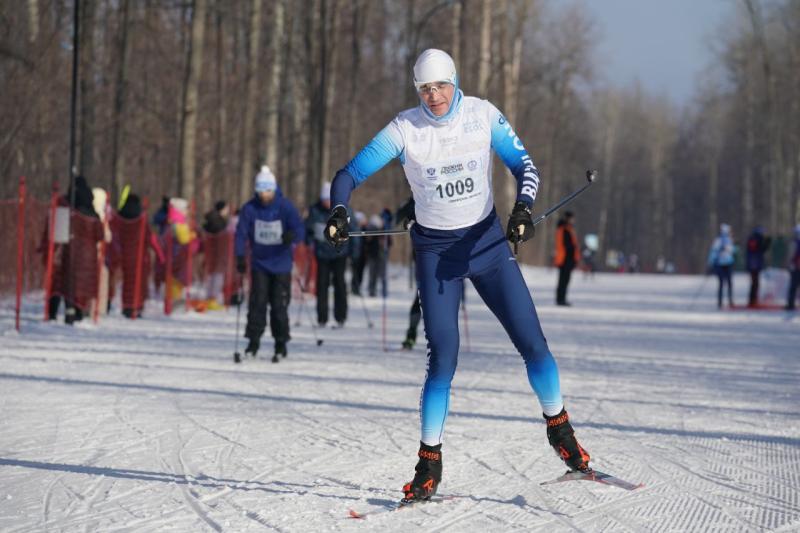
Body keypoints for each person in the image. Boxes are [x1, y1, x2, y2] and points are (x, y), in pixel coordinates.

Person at [324, 48, 591, 502]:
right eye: (425, 88)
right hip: (436, 253)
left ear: (455, 81)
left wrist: (523, 209)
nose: (434, 96)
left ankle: (561, 432)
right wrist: (339, 210)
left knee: (532, 341)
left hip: (486, 245)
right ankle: (429, 463)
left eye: (441, 85)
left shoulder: (482, 115)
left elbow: (526, 167)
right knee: (443, 356)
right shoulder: (405, 129)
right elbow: (347, 174)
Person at [235, 166, 304, 362]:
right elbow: (240, 233)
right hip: (260, 264)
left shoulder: (285, 206)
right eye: (261, 191)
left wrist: (292, 236)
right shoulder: (250, 209)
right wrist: (239, 256)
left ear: (273, 189)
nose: (264, 195)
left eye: (268, 191)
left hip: (281, 265)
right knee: (257, 304)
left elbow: (299, 228)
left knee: (279, 306)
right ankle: (253, 342)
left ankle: (280, 343)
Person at [305, 182, 349, 327]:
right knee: (322, 285)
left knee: (339, 284)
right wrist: (309, 238)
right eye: (324, 199)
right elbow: (307, 228)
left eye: (328, 200)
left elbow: (352, 227)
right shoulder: (314, 210)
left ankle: (340, 317)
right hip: (322, 253)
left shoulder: (341, 208)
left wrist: (354, 252)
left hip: (339, 253)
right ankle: (322, 317)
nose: (327, 203)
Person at [202, 200, 231, 309]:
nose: (227, 211)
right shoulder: (218, 221)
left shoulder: (214, 219)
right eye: (226, 208)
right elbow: (219, 235)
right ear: (222, 209)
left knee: (213, 276)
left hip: (214, 253)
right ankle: (212, 299)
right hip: (217, 252)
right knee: (216, 276)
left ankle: (212, 298)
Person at [707, 223, 736, 308]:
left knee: (722, 283)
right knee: (727, 283)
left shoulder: (721, 240)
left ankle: (723, 302)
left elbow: (713, 252)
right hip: (725, 264)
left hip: (725, 264)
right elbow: (714, 252)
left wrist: (711, 262)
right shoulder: (722, 240)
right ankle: (727, 302)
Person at [554, 211, 580, 306]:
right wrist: (572, 256)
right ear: (568, 219)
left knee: (565, 280)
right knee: (563, 280)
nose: (573, 220)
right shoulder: (564, 229)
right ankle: (560, 299)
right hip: (565, 259)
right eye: (572, 218)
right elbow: (567, 245)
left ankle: (561, 298)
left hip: (567, 259)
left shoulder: (567, 229)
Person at [745, 226, 771, 307]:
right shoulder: (755, 239)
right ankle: (752, 301)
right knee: (755, 283)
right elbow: (756, 250)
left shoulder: (757, 239)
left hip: (755, 264)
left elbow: (761, 250)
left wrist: (766, 243)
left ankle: (753, 300)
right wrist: (766, 243)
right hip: (754, 264)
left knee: (755, 283)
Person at [349, 211, 367, 296]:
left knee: (360, 272)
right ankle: (354, 287)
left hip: (363, 254)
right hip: (354, 254)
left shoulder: (365, 229)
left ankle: (357, 287)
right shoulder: (353, 228)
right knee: (355, 271)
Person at [786, 224, 800, 311]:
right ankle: (791, 304)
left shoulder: (795, 243)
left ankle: (791, 304)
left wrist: (790, 264)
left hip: (796, 267)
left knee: (793, 286)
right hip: (796, 266)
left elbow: (791, 255)